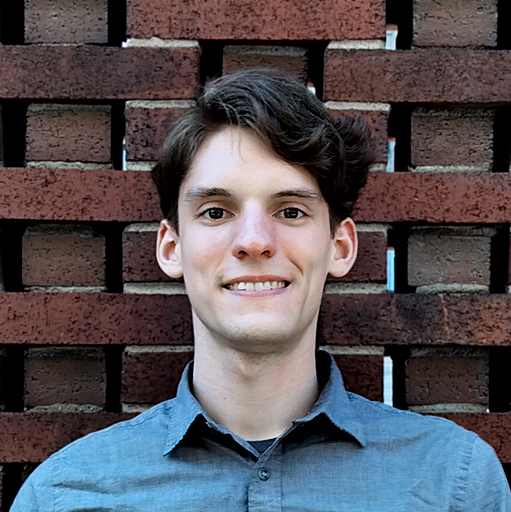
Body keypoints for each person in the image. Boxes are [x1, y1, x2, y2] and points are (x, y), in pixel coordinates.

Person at [11, 69, 511, 511]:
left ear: (339, 246)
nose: (253, 242)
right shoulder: (65, 495)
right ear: (171, 248)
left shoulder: (455, 483)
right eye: (216, 212)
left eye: (290, 211)